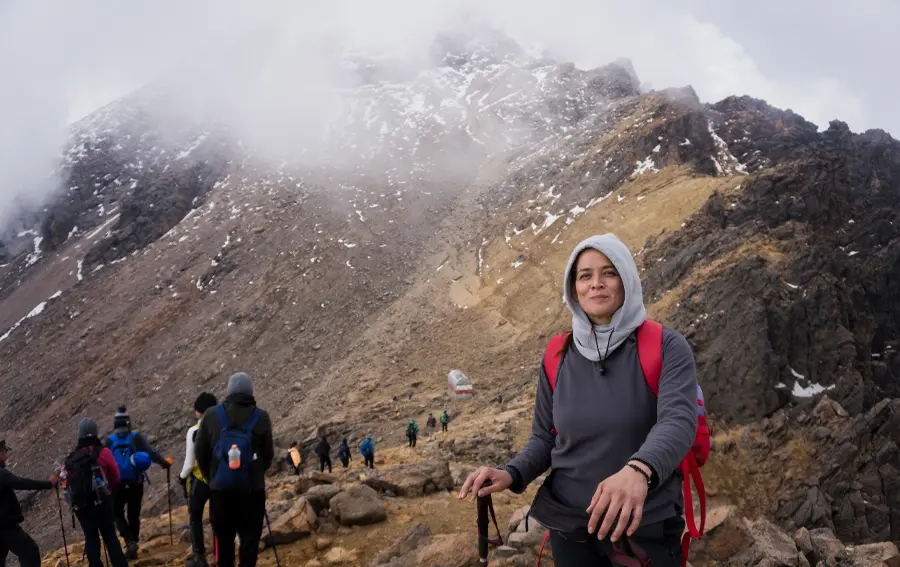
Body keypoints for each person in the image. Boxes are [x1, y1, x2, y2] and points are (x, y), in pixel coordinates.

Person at [459, 234, 699, 567]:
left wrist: (638, 471)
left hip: (644, 526)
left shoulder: (666, 347)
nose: (596, 284)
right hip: (570, 527)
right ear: (573, 288)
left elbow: (678, 422)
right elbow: (545, 438)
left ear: (626, 280)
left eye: (609, 273)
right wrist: (511, 473)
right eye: (585, 275)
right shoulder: (557, 354)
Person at [195, 372, 274, 567]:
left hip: (220, 490)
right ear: (250, 391)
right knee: (249, 541)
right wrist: (253, 473)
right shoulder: (261, 417)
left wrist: (212, 477)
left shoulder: (211, 415)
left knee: (223, 541)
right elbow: (268, 455)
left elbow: (201, 453)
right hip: (252, 491)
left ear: (229, 391)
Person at [105, 406, 172, 560]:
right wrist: (164, 463)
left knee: (117, 514)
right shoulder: (136, 437)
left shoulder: (110, 441)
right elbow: (151, 452)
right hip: (135, 482)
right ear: (128, 423)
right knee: (133, 514)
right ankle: (134, 541)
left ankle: (129, 542)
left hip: (117, 484)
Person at [65, 419, 128, 567]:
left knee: (91, 537)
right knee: (110, 536)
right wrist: (108, 491)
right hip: (102, 502)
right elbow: (116, 476)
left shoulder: (72, 458)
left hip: (81, 506)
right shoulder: (103, 452)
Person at [0, 439, 60, 567]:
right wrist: (48, 484)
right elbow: (21, 483)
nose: (6, 456)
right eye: (4, 452)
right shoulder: (1, 474)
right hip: (5, 527)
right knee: (30, 552)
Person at [179, 392, 218, 567]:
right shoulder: (222, 428)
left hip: (200, 482)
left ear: (199, 411)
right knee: (217, 520)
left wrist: (181, 478)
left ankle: (199, 557)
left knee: (195, 518)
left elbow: (189, 463)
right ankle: (220, 557)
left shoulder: (194, 431)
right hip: (219, 481)